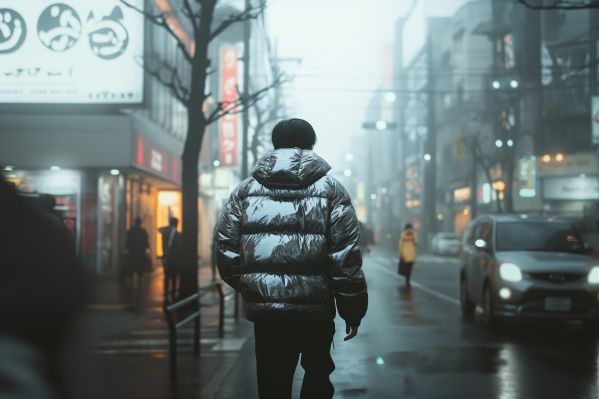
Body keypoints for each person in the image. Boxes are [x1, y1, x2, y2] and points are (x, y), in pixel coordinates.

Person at [216, 118, 368, 399]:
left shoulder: (244, 191)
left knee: (272, 383)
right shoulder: (332, 190)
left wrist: (257, 287)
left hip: (269, 318)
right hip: (316, 312)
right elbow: (345, 257)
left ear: (275, 145)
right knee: (318, 379)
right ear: (311, 144)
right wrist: (352, 309)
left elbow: (226, 251)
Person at [159, 217, 182, 302]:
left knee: (170, 276)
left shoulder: (168, 233)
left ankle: (169, 293)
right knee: (171, 276)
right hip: (171, 258)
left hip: (171, 258)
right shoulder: (171, 233)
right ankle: (169, 294)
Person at [398, 223, 417, 287]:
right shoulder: (413, 234)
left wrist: (400, 254)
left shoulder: (403, 234)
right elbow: (416, 243)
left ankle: (407, 279)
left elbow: (400, 245)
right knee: (410, 268)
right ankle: (408, 280)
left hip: (404, 253)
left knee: (406, 268)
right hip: (412, 253)